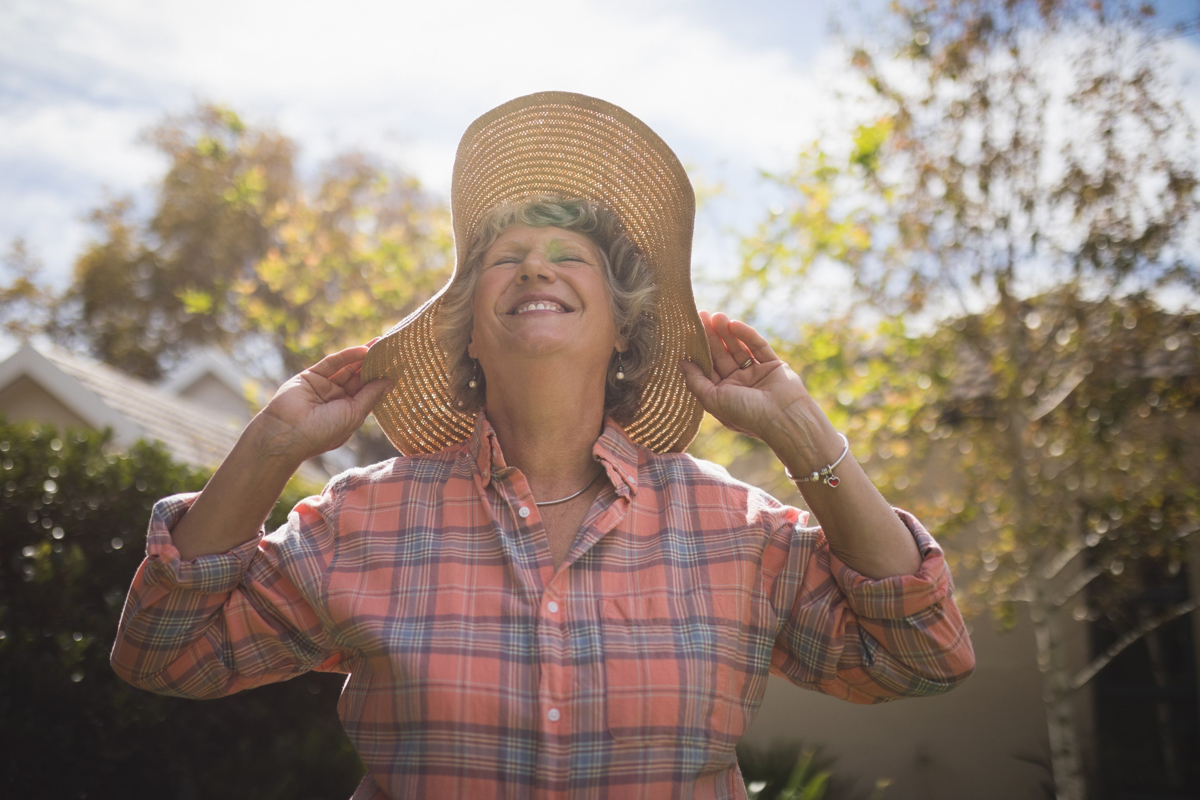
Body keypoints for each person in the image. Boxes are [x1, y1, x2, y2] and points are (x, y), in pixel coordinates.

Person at [111, 92, 974, 799]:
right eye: (505, 257)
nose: (535, 268)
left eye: (571, 256)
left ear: (623, 331)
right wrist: (269, 445)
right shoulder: (363, 518)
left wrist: (801, 432)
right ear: (468, 334)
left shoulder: (735, 530)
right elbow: (165, 655)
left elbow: (922, 660)